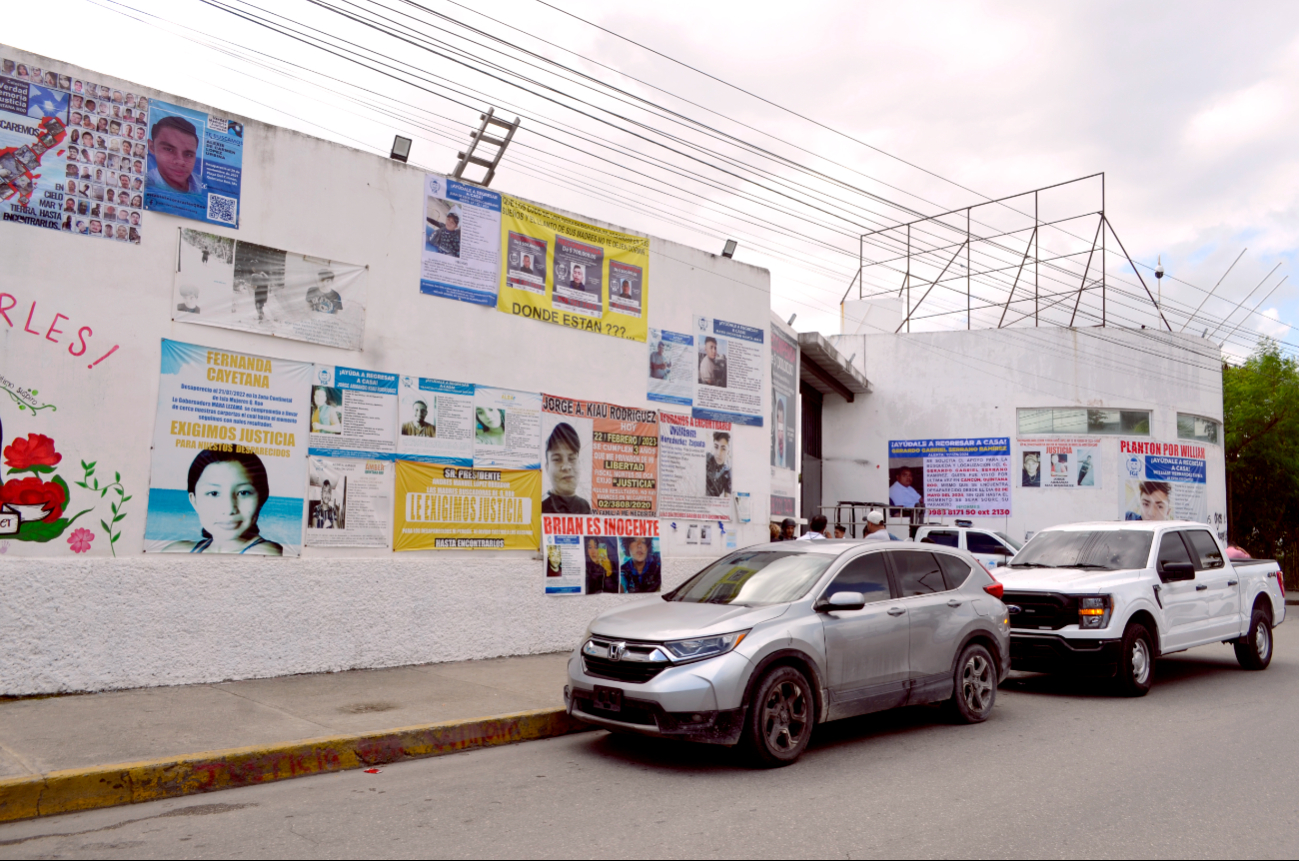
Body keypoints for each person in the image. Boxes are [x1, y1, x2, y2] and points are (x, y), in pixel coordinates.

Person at [163, 449, 283, 554]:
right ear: (194, 501)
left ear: (262, 497)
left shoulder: (267, 553)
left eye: (243, 493)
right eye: (214, 493)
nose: (229, 509)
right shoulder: (177, 550)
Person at [541, 422, 590, 514]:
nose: (566, 467)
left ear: (579, 463)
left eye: (571, 458)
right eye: (557, 459)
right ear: (547, 468)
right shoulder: (540, 507)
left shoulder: (584, 507)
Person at [147, 114, 201, 194]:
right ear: (152, 147)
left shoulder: (203, 185)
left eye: (188, 155)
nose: (180, 162)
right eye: (169, 149)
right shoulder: (142, 185)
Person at [705, 431, 731, 497]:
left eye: (723, 449)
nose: (719, 453)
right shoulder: (706, 458)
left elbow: (727, 500)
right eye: (716, 447)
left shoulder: (727, 473)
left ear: (728, 451)